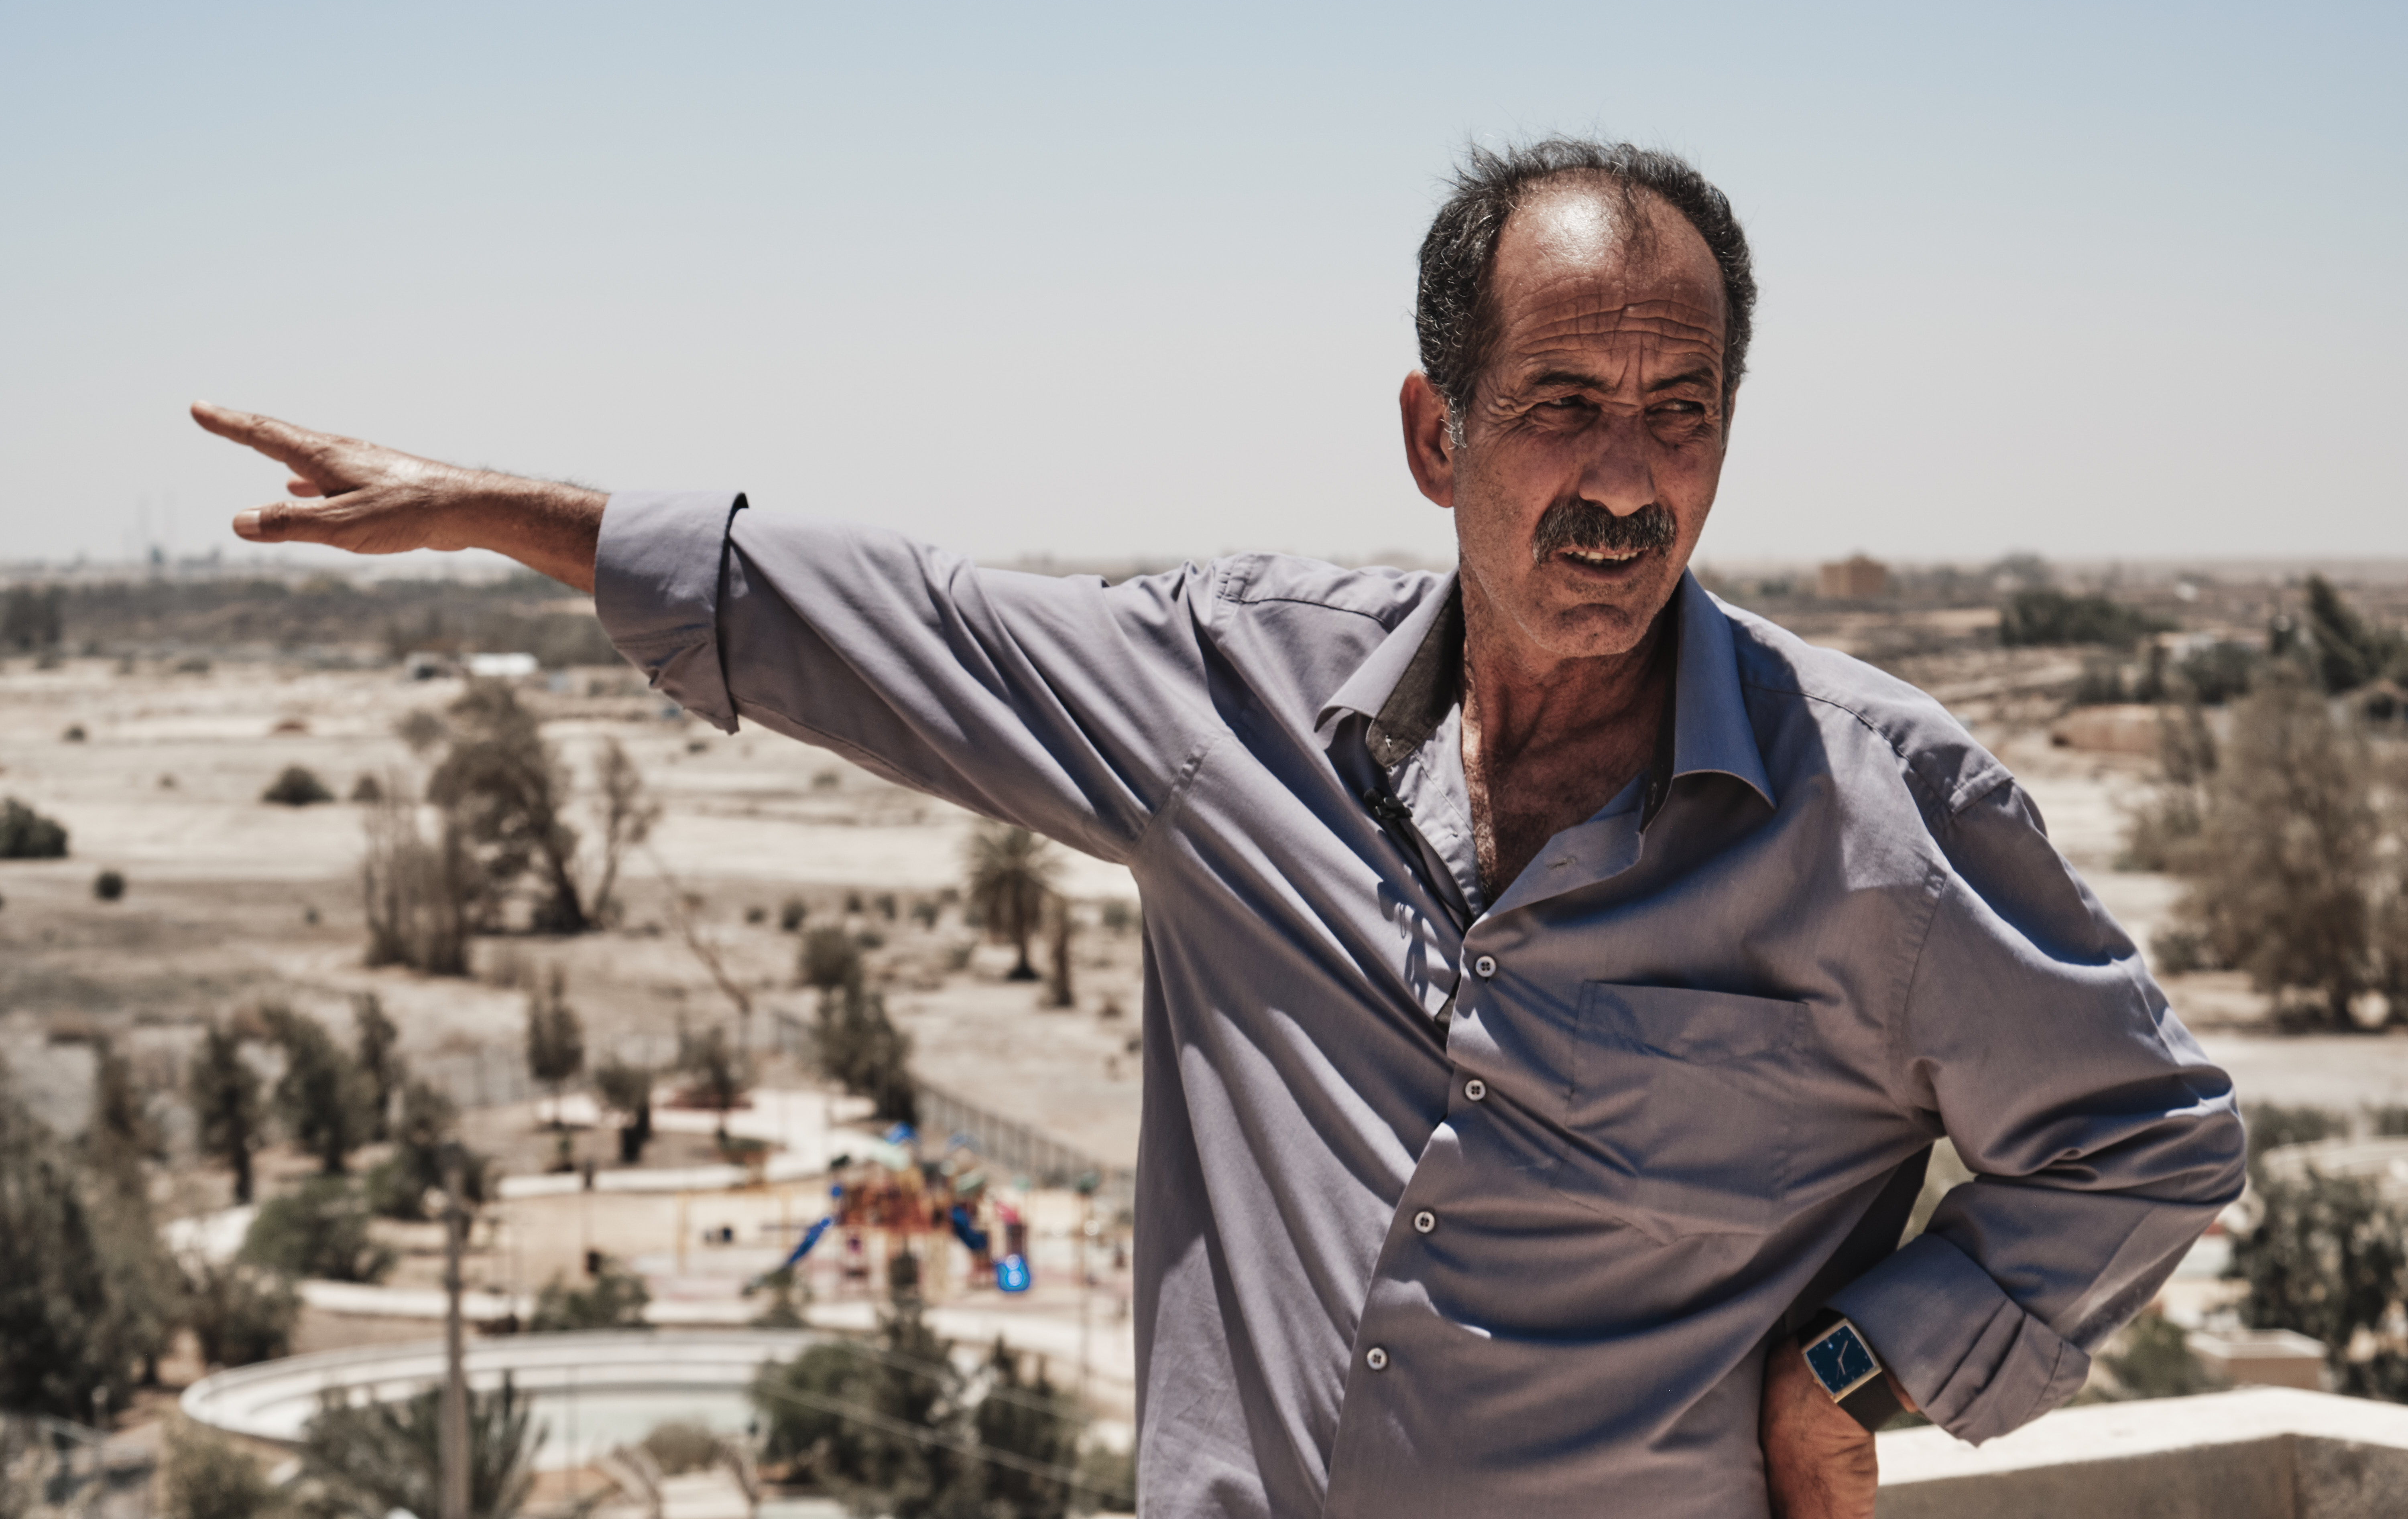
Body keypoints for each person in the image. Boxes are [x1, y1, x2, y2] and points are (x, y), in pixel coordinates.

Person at [192, 137, 2243, 1518]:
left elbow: (2145, 1139)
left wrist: (1859, 1369)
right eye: (1563, 407)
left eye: (1680, 410)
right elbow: (892, 616)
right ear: (1436, 432)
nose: (1627, 478)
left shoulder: (1878, 813)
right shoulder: (1231, 698)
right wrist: (485, 509)